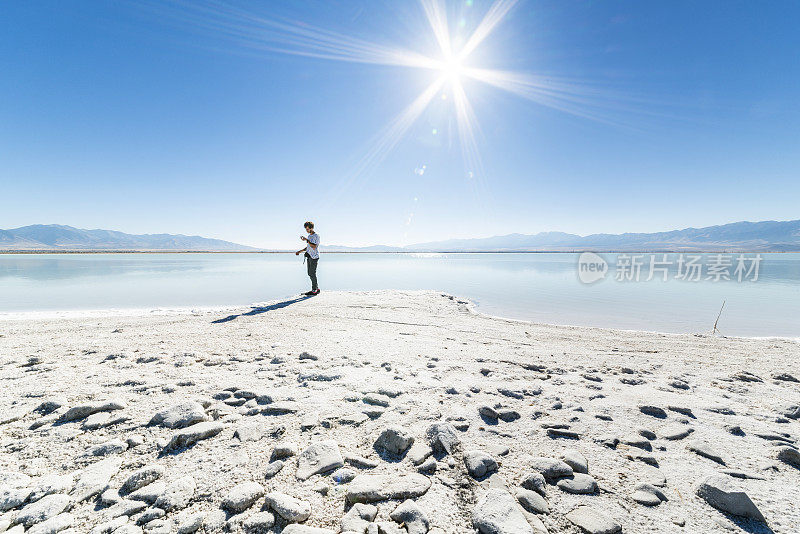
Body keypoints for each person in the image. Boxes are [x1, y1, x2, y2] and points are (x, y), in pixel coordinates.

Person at [295, 221, 320, 295]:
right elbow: (309, 247)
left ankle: (314, 290)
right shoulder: (309, 236)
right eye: (306, 229)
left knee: (312, 273)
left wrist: (306, 240)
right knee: (310, 273)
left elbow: (314, 246)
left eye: (308, 229)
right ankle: (316, 288)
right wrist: (300, 251)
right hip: (309, 256)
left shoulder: (316, 236)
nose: (307, 231)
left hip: (314, 257)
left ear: (312, 228)